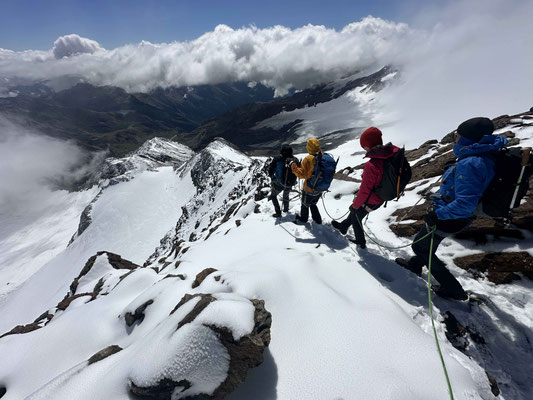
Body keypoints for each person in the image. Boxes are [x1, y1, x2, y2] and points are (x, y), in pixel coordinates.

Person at [395, 117, 507, 300]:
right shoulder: (481, 154)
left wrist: (437, 215)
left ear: (468, 138)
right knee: (428, 243)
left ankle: (452, 288)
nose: (455, 137)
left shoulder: (471, 163)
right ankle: (415, 265)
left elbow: (465, 203)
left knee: (420, 247)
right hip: (454, 215)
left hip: (450, 217)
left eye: (458, 135)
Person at [331, 127, 400, 249]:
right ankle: (343, 226)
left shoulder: (372, 165)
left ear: (370, 145)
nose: (364, 149)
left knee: (356, 216)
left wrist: (355, 204)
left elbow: (365, 190)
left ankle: (360, 242)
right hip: (381, 197)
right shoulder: (389, 155)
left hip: (372, 199)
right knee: (355, 213)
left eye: (364, 147)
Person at [291, 138, 324, 224]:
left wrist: (294, 168)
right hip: (320, 188)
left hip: (309, 188)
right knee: (313, 203)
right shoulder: (324, 156)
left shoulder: (308, 158)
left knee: (305, 204)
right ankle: (317, 220)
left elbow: (302, 175)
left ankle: (303, 219)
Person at [268, 145, 298, 217]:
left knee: (273, 196)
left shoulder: (277, 160)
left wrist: (273, 178)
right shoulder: (295, 160)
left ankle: (278, 212)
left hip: (278, 183)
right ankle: (286, 209)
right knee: (286, 196)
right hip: (289, 183)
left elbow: (270, 172)